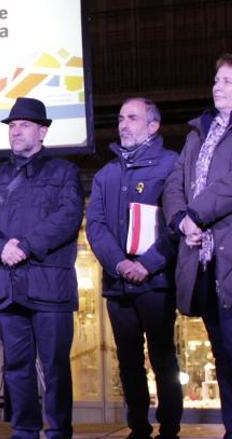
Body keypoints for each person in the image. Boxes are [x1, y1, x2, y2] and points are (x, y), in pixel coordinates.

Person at [0, 97, 84, 439]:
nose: (16, 132)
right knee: (16, 367)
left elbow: (68, 216)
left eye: (24, 125)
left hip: (49, 284)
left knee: (55, 367)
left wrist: (25, 246)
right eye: (12, 126)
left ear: (43, 131)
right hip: (7, 284)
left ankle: (60, 430)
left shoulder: (64, 171)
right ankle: (24, 430)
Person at [85, 98, 182, 439]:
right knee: (128, 361)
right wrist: (119, 263)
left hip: (155, 283)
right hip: (118, 284)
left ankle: (170, 429)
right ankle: (138, 427)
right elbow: (94, 224)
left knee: (163, 357)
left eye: (133, 118)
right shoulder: (106, 174)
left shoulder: (172, 165)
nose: (123, 124)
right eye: (121, 118)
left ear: (153, 126)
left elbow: (176, 224)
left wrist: (148, 264)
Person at [164, 53, 232, 439]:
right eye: (216, 80)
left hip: (228, 255)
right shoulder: (196, 134)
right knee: (222, 356)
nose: (217, 87)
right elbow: (175, 183)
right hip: (204, 262)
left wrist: (196, 214)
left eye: (227, 81)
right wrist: (179, 220)